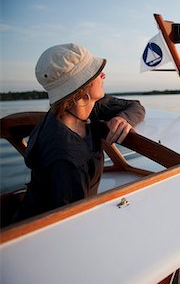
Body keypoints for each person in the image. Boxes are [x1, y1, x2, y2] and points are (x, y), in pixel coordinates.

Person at [14, 43, 145, 221]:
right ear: (82, 93)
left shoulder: (82, 108)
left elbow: (135, 106)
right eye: (96, 74)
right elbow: (72, 222)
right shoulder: (68, 158)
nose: (104, 75)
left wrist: (124, 119)